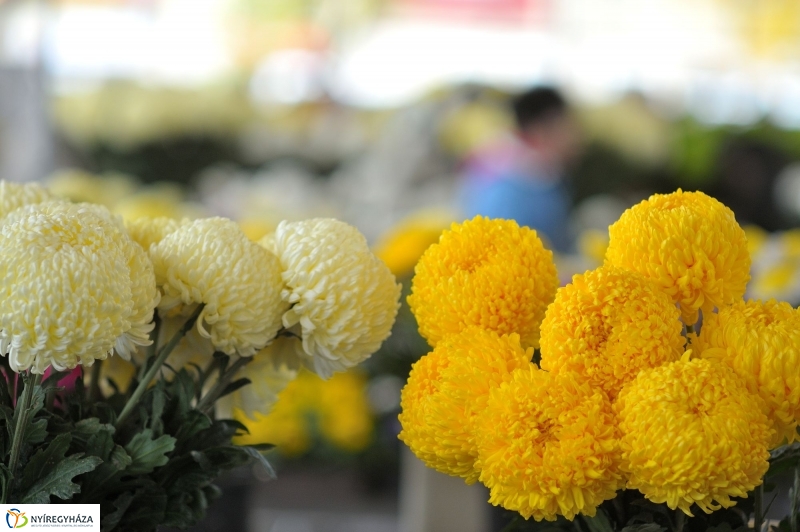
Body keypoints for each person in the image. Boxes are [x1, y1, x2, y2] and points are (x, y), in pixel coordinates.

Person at [459, 87, 580, 253]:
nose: (577, 136)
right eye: (568, 125)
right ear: (542, 129)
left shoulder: (542, 176)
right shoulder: (512, 191)